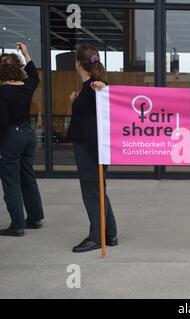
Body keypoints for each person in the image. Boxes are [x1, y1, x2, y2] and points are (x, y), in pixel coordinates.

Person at [68, 44, 118, 253]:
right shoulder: (90, 87)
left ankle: (97, 236)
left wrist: (99, 89)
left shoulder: (96, 87)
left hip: (90, 148)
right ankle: (110, 233)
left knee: (91, 191)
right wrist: (76, 100)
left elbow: (103, 102)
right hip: (93, 146)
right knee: (97, 190)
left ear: (78, 63)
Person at [0, 42, 45, 236]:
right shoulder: (26, 86)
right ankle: (35, 218)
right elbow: (34, 74)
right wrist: (26, 53)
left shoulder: (2, 92)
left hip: (11, 136)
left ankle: (17, 225)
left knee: (11, 181)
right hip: (28, 133)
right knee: (28, 176)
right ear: (18, 69)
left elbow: (1, 122)